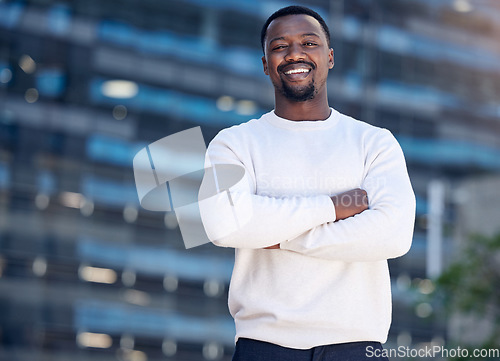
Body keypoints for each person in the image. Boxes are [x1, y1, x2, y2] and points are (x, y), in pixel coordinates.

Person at [199, 5, 415, 361]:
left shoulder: (374, 142)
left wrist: (275, 233)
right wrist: (333, 207)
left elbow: (394, 233)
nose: (295, 53)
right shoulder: (232, 143)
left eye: (308, 43)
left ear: (329, 57)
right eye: (280, 46)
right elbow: (224, 226)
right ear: (266, 63)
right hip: (264, 345)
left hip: (357, 346)